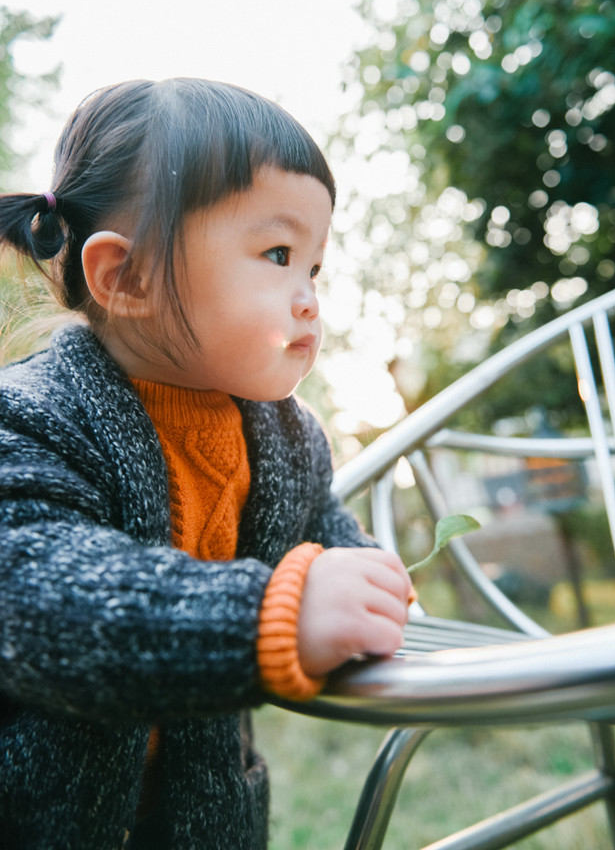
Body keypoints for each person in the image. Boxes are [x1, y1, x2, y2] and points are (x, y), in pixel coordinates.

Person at [0, 78, 411, 850]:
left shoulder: (287, 438)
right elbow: (37, 592)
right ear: (127, 278)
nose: (309, 299)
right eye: (279, 254)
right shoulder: (31, 416)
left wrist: (362, 575)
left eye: (315, 269)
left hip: (205, 821)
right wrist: (268, 616)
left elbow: (314, 534)